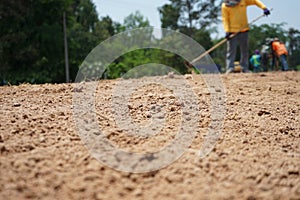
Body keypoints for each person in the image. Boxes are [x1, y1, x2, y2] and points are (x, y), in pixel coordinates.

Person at [222, 0, 270, 74]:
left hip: (244, 29)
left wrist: (264, 8)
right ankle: (229, 68)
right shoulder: (225, 6)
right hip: (232, 32)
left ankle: (244, 68)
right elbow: (225, 19)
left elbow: (255, 1)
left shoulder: (243, 1)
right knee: (231, 51)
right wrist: (227, 30)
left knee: (244, 51)